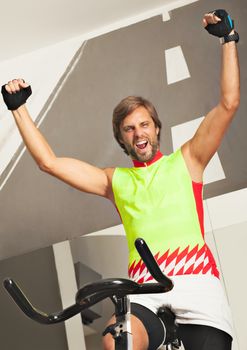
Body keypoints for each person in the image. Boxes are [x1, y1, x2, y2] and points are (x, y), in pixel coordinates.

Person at [1, 10, 240, 350]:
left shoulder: (188, 160)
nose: (138, 133)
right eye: (129, 129)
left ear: (156, 128)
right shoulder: (115, 181)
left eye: (144, 124)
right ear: (122, 139)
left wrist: (227, 40)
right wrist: (17, 109)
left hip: (198, 281)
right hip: (144, 289)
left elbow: (228, 104)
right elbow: (49, 162)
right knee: (117, 340)